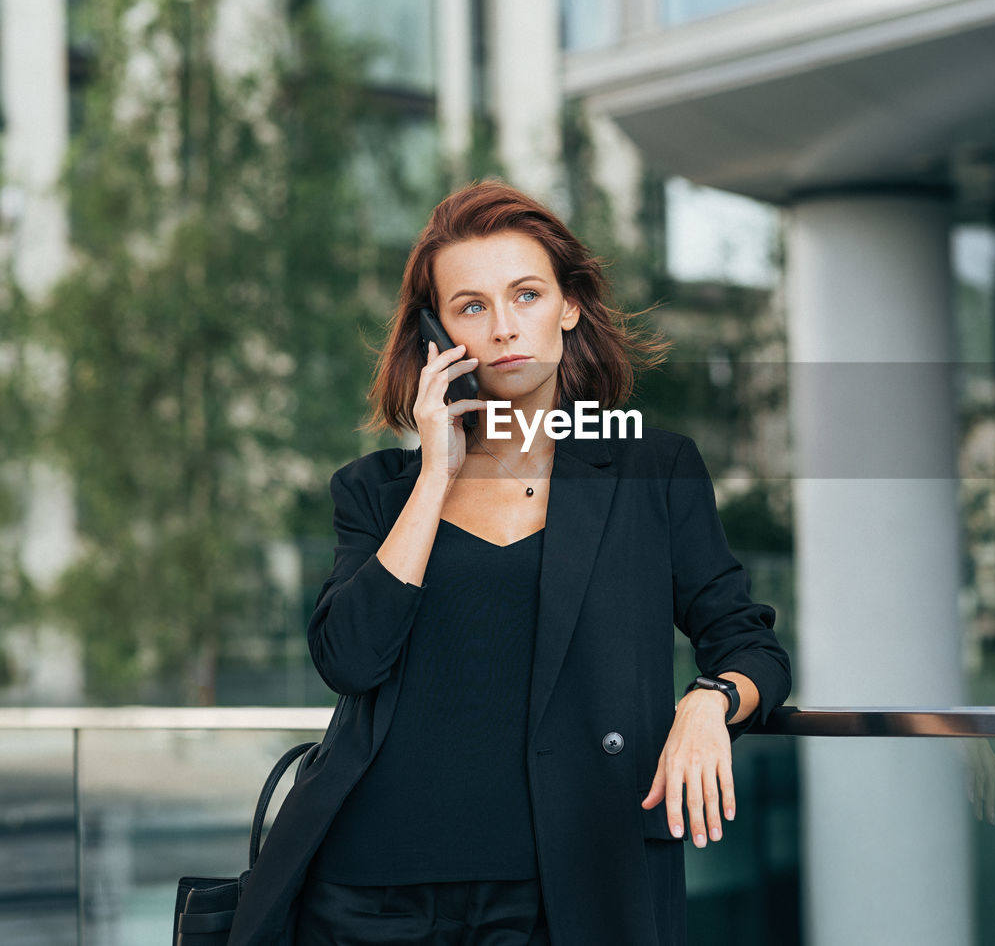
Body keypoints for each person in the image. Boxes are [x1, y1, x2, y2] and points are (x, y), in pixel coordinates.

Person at [227, 178, 793, 945]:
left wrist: (709, 702)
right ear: (438, 334)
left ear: (569, 306)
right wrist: (435, 474)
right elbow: (348, 660)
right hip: (366, 894)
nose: (502, 328)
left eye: (525, 295)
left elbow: (749, 642)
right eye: (471, 306)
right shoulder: (375, 491)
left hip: (564, 891)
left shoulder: (650, 471)